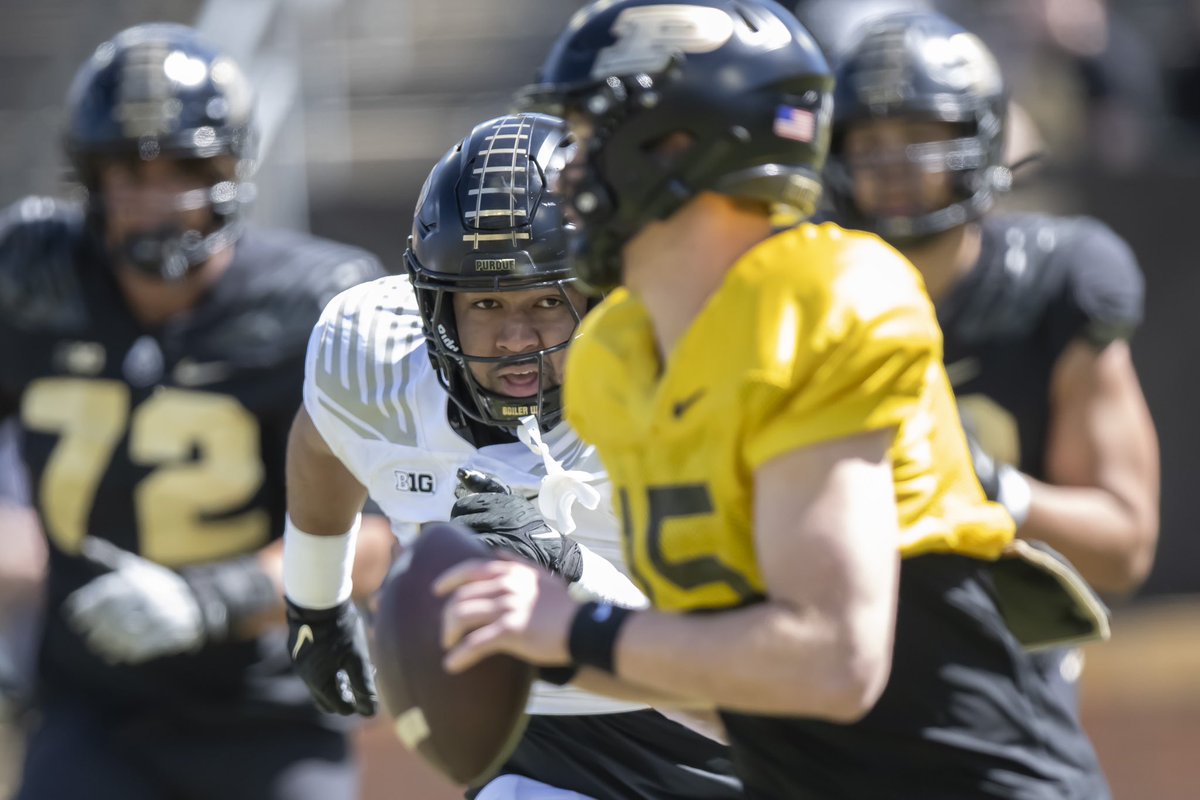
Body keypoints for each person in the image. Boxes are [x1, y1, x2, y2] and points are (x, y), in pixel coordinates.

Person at [431, 1, 1113, 797]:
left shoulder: (823, 296)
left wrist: (575, 628)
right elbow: (726, 682)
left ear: (679, 142)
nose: (566, 168)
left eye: (587, 134)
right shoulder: (621, 352)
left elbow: (831, 662)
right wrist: (546, 635)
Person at [284, 112, 741, 799]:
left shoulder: (689, 379)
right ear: (435, 306)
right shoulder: (371, 353)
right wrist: (316, 603)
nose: (514, 337)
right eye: (488, 302)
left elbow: (744, 660)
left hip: (700, 725)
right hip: (523, 731)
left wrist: (570, 573)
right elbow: (321, 443)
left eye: (544, 302)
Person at [0, 23, 394, 800]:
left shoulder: (317, 306)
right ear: (91, 179)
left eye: (188, 165)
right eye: (130, 170)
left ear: (232, 168)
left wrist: (210, 597)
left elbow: (381, 533)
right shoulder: (34, 279)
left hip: (269, 711)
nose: (160, 198)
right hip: (95, 709)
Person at [825, 11, 1159, 601]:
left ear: (978, 139)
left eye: (919, 137)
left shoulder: (1055, 282)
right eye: (871, 142)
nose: (893, 164)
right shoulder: (806, 289)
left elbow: (1124, 548)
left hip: (999, 639)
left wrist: (984, 482)